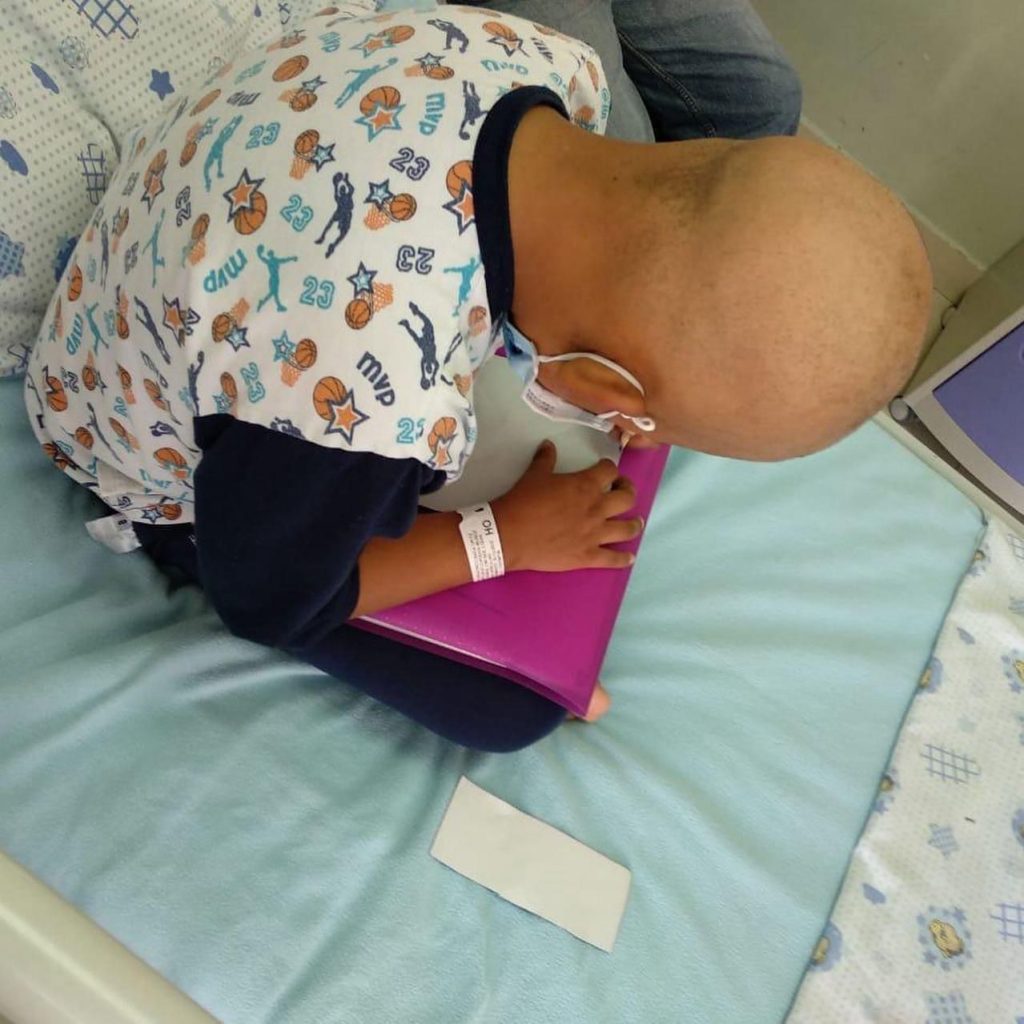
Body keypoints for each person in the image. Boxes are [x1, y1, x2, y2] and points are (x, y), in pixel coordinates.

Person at [24, 3, 931, 753]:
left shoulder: (538, 60)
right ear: (602, 389)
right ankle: (172, 542)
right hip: (130, 439)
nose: (635, 438)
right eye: (647, 427)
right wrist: (498, 540)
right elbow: (265, 602)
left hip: (201, 220)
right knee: (512, 711)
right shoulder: (370, 410)